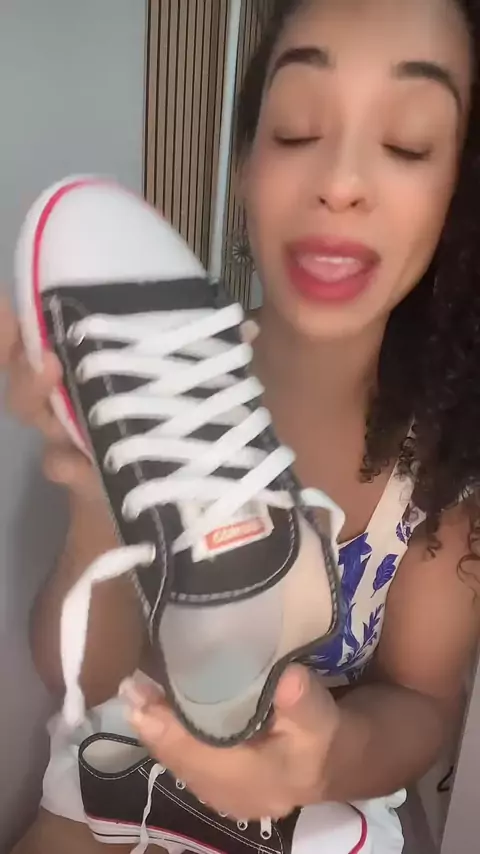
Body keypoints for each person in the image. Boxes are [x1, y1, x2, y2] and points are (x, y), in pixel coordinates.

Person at [4, 0, 480, 850]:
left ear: (457, 200)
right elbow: (81, 679)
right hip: (116, 794)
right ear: (245, 164)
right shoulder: (145, 387)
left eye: (408, 143)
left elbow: (422, 704)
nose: (340, 181)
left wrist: (323, 760)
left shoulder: (440, 474)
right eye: (297, 130)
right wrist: (98, 499)